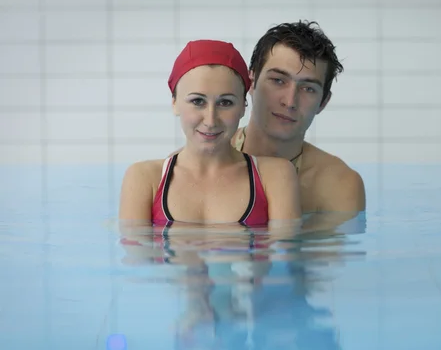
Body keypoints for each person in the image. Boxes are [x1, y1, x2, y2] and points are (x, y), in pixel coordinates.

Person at [169, 21, 366, 217]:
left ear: (323, 102)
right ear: (251, 83)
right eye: (278, 81)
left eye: (308, 89)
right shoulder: (183, 167)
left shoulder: (339, 185)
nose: (290, 101)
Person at [118, 39, 302, 230]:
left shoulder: (275, 176)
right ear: (174, 103)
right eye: (198, 101)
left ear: (243, 107)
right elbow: (137, 257)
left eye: (226, 103)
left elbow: (285, 255)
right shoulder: (145, 178)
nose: (211, 120)